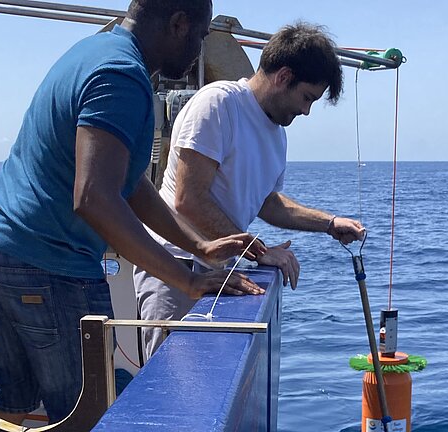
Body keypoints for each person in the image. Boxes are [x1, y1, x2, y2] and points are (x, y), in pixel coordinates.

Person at [0, 0, 265, 424]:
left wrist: (200, 245)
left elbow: (127, 183)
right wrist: (186, 279)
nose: (200, 49)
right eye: (200, 36)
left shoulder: (95, 50)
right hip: (45, 262)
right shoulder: (122, 76)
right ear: (179, 24)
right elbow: (95, 197)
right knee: (89, 413)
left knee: (12, 401)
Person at [134, 22, 367, 360]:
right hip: (176, 266)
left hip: (219, 270)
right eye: (307, 98)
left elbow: (268, 202)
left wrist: (329, 224)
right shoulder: (219, 104)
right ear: (284, 76)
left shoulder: (277, 135)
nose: (306, 111)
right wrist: (256, 252)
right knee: (172, 383)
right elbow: (189, 200)